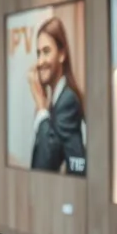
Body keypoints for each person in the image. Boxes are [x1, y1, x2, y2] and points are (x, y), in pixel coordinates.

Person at [28, 17, 86, 174]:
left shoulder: (68, 100)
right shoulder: (56, 100)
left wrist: (40, 104)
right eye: (38, 53)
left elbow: (45, 165)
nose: (40, 62)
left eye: (46, 52)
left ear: (62, 54)